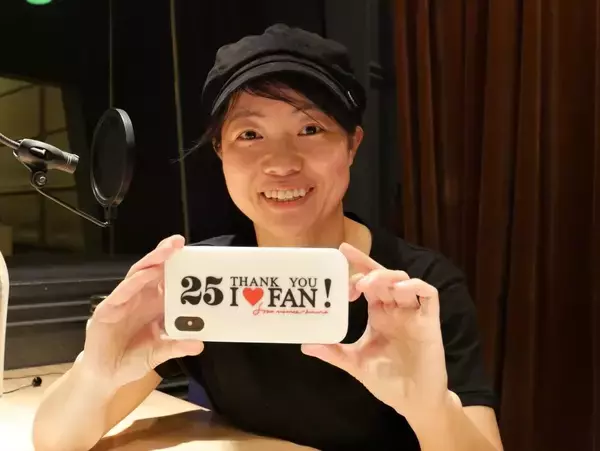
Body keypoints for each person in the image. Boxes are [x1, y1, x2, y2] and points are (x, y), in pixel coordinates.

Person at [33, 24, 503, 451]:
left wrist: (430, 409)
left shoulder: (414, 293)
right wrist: (96, 371)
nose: (281, 163)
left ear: (352, 145)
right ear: (220, 150)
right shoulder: (203, 285)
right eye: (250, 135)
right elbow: (57, 441)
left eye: (310, 128)